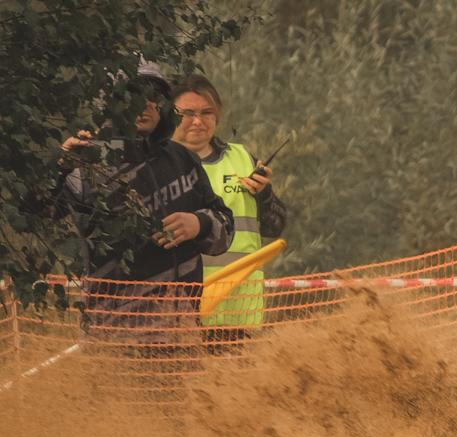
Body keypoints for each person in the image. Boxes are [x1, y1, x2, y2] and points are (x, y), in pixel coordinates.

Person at [60, 61, 234, 349]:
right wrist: (59, 169)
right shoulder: (89, 162)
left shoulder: (182, 158)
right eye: (130, 95)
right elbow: (38, 213)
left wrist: (199, 223)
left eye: (153, 97)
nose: (144, 105)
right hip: (113, 335)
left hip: (181, 331)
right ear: (111, 103)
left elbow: (225, 229)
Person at [170, 75, 287, 342]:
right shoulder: (156, 165)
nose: (198, 121)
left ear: (218, 116)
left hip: (237, 312)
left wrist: (265, 195)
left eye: (206, 113)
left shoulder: (242, 158)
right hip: (177, 313)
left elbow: (275, 227)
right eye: (188, 113)